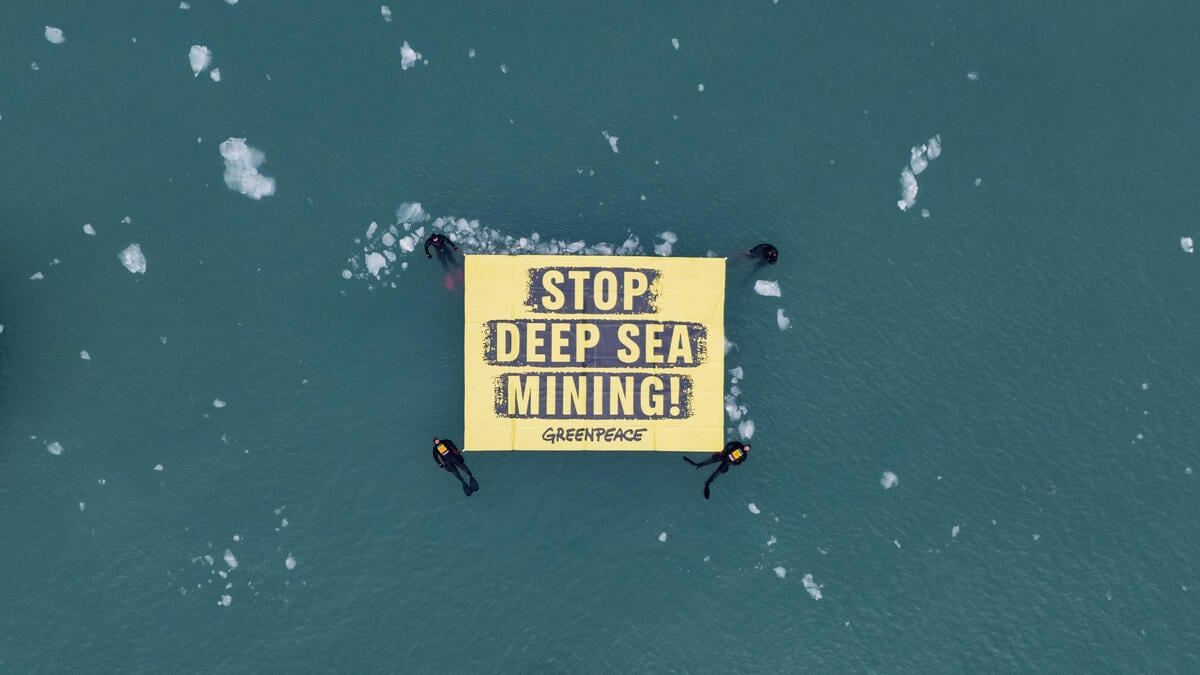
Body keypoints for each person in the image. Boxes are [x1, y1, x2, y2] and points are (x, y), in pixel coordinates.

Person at [682, 441, 749, 499]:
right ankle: (698, 465)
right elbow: (730, 444)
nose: (746, 448)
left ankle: (707, 483)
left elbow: (739, 463)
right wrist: (725, 450)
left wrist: (732, 463)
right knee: (710, 461)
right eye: (746, 446)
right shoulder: (739, 444)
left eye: (747, 448)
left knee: (718, 472)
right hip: (724, 455)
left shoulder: (744, 455)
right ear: (745, 445)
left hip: (727, 462)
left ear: (747, 450)